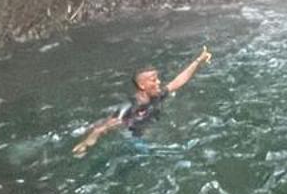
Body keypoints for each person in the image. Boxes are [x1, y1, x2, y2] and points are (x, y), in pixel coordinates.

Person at [73, 48, 212, 155]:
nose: (158, 82)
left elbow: (178, 81)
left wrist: (198, 61)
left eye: (157, 78)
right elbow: (103, 127)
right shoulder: (129, 106)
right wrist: (85, 144)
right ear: (142, 85)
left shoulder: (157, 95)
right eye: (153, 80)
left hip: (148, 131)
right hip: (133, 138)